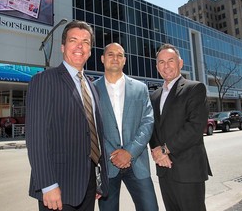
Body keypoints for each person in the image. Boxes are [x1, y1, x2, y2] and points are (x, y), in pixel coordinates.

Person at [25, 20, 108, 211]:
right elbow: (36, 138)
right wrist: (48, 184)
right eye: (73, 40)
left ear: (90, 49)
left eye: (86, 42)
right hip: (58, 186)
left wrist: (97, 178)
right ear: (63, 47)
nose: (80, 46)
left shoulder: (92, 87)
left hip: (88, 185)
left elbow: (93, 134)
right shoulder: (44, 80)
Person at [94, 43, 158, 211]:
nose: (115, 58)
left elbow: (148, 122)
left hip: (137, 162)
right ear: (102, 59)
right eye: (110, 54)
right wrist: (113, 154)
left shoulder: (140, 88)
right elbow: (91, 126)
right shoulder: (92, 89)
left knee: (150, 208)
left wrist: (129, 152)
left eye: (119, 55)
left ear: (124, 60)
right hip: (107, 165)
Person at [149, 43, 212, 211]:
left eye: (171, 60)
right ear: (157, 67)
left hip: (188, 170)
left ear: (180, 63)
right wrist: (157, 151)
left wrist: (164, 149)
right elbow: (152, 128)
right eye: (161, 62)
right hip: (164, 170)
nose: (166, 66)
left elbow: (195, 127)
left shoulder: (195, 88)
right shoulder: (154, 96)